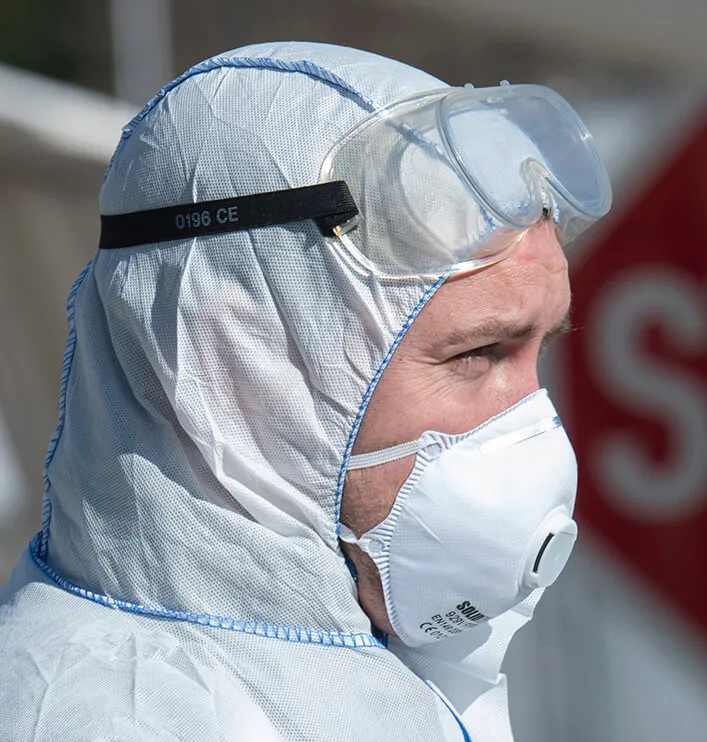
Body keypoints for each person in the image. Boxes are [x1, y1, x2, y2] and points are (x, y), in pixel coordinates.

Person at [0, 41, 611, 742]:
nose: (533, 426)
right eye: (477, 354)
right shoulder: (113, 716)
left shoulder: (340, 661)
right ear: (236, 365)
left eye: (542, 347)